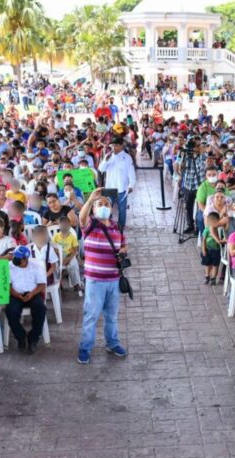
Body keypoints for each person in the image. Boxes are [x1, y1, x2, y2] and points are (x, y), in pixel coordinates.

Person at [76, 188, 128, 365]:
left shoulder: (117, 228)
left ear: (112, 209)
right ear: (94, 209)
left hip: (113, 279)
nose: (104, 206)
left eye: (106, 204)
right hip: (95, 280)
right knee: (91, 316)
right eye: (100, 204)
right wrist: (91, 199)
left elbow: (124, 246)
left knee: (111, 316)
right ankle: (85, 348)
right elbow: (81, 218)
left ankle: (112, 343)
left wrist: (123, 251)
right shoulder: (90, 225)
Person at [6, 245, 47, 354]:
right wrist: (16, 294)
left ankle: (33, 339)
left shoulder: (36, 266)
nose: (16, 262)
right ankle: (21, 337)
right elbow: (7, 285)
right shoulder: (9, 266)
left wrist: (32, 293)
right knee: (10, 311)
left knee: (40, 308)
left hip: (33, 293)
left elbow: (42, 285)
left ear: (25, 259)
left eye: (19, 260)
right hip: (16, 294)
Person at [98, 137, 136, 232]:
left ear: (121, 145)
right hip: (109, 188)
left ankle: (120, 227)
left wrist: (131, 185)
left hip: (121, 188)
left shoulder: (127, 157)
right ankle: (108, 226)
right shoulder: (108, 156)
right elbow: (101, 169)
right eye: (113, 145)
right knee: (107, 208)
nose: (114, 147)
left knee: (122, 210)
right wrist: (105, 160)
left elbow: (131, 172)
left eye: (116, 145)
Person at [200, 212, 224, 284]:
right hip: (207, 249)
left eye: (213, 221)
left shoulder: (220, 230)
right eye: (209, 221)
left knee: (215, 264)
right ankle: (207, 276)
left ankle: (213, 278)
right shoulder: (206, 230)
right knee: (207, 264)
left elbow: (222, 238)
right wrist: (203, 249)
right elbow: (203, 240)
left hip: (216, 250)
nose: (211, 223)